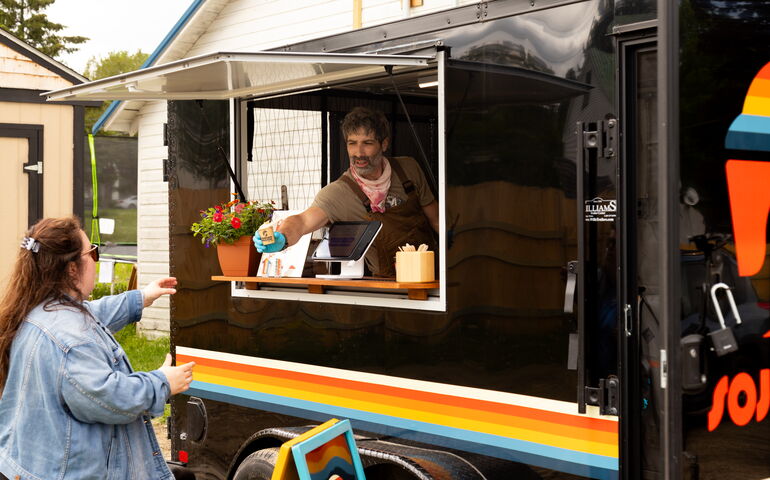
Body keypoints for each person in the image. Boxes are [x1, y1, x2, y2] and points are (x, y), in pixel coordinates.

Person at [0, 217, 194, 480]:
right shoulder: (72, 339)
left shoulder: (40, 310)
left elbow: (92, 314)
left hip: (33, 465)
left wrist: (142, 297)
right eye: (93, 252)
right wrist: (162, 383)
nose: (95, 259)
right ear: (71, 269)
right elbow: (109, 398)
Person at [255, 106, 439, 277]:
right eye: (352, 143)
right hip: (389, 286)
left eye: (367, 143)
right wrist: (282, 238)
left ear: (384, 144)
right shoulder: (338, 194)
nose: (358, 153)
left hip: (433, 277)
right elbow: (302, 221)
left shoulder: (408, 169)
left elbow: (436, 220)